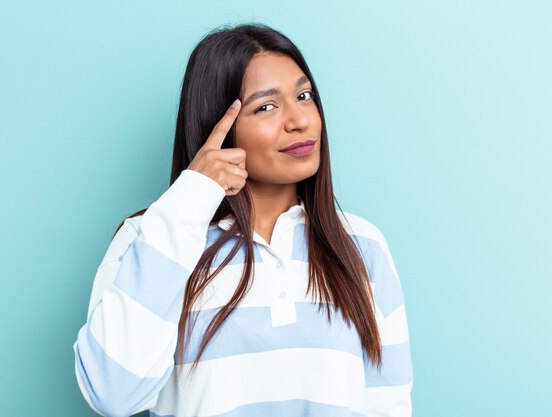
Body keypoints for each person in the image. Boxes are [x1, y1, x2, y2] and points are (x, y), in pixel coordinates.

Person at [73, 23, 413, 417]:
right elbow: (112, 394)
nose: (299, 120)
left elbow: (388, 404)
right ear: (218, 126)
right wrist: (190, 199)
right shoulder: (152, 238)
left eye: (304, 96)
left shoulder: (361, 244)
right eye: (266, 106)